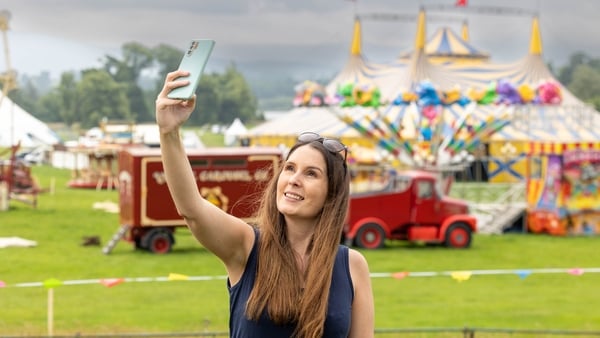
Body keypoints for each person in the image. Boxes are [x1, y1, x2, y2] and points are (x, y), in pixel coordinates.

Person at [156, 70, 374, 338]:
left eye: (311, 173)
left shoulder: (352, 265)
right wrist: (169, 132)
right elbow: (192, 209)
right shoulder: (246, 247)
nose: (294, 179)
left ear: (332, 193)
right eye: (290, 168)